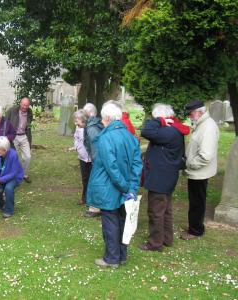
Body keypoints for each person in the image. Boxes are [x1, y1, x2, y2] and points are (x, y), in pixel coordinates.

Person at [87, 101, 142, 269]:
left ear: (108, 118)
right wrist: (131, 188)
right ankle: (121, 255)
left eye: (103, 119)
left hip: (110, 187)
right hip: (122, 188)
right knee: (122, 220)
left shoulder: (105, 138)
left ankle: (112, 258)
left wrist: (127, 188)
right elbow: (137, 165)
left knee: (110, 223)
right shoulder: (131, 137)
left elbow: (111, 168)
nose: (102, 122)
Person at [139, 104, 190, 251]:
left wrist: (159, 121)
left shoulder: (168, 131)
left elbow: (146, 130)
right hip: (167, 175)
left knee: (155, 211)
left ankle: (155, 243)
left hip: (160, 177)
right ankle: (167, 239)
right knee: (166, 209)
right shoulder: (174, 130)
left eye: (157, 117)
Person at [181, 100, 219, 240]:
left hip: (199, 172)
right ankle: (195, 226)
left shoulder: (207, 127)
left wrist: (189, 164)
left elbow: (205, 155)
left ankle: (195, 230)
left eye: (191, 114)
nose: (190, 117)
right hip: (197, 172)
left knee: (197, 202)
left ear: (199, 112)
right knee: (196, 200)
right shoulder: (201, 124)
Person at [83, 103, 103, 217]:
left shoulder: (92, 128)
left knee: (95, 182)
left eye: (84, 113)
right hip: (97, 159)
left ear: (89, 114)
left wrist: (96, 162)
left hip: (98, 160)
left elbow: (96, 148)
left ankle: (95, 208)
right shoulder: (94, 124)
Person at [6, 96, 33, 183]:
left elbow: (29, 123)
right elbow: (5, 122)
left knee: (28, 157)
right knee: (13, 157)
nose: (25, 107)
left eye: (27, 105)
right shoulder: (12, 110)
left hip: (24, 136)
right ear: (20, 103)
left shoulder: (29, 112)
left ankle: (24, 175)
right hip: (13, 137)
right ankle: (12, 175)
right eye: (23, 105)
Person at [70, 109, 91, 205]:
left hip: (91, 158)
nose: (75, 121)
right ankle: (84, 197)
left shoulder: (90, 129)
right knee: (84, 179)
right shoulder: (78, 128)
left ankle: (91, 199)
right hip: (82, 157)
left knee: (92, 178)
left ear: (82, 119)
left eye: (77, 119)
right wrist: (76, 147)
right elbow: (76, 139)